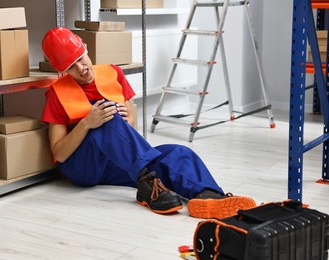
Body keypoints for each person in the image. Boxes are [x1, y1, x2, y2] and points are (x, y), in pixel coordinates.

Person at [40, 27, 256, 219]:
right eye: (71, 66)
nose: (81, 68)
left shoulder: (113, 73)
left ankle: (208, 196)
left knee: (178, 153)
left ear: (85, 47)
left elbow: (130, 131)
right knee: (105, 116)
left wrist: (129, 118)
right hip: (84, 168)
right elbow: (59, 154)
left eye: (80, 58)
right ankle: (147, 183)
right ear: (63, 71)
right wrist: (87, 123)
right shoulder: (57, 94)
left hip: (116, 162)